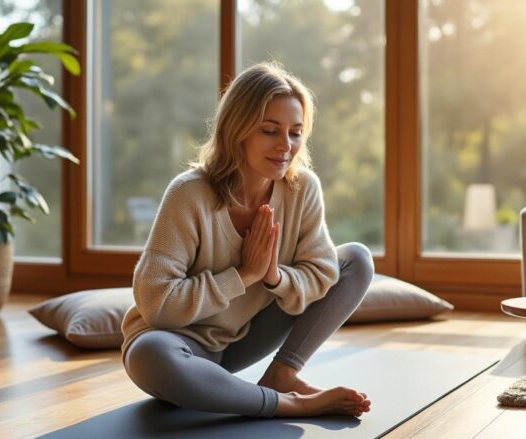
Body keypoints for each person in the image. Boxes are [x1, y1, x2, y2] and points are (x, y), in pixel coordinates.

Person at [121, 62, 375, 418]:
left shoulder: (302, 188)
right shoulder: (188, 194)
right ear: (237, 130)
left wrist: (273, 276)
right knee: (149, 356)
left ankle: (282, 376)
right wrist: (243, 275)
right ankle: (287, 405)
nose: (286, 146)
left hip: (245, 336)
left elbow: (321, 273)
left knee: (356, 260)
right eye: (270, 131)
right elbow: (156, 304)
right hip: (180, 343)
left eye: (296, 132)